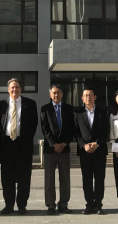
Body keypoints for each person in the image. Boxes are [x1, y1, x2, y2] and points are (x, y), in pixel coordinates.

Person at [0, 78, 38, 216]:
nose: (14, 89)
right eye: (12, 87)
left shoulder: (30, 104)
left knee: (24, 177)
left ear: (21, 88)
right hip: (6, 144)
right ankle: (8, 205)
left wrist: (26, 138)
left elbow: (34, 124)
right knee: (7, 177)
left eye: (17, 87)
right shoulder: (1, 104)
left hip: (23, 145)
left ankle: (22, 205)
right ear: (8, 89)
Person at [73, 87, 110, 216]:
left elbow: (106, 130)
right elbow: (76, 132)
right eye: (86, 95)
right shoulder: (77, 113)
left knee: (99, 179)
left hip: (99, 151)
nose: (88, 97)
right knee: (87, 179)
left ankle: (98, 205)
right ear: (82, 98)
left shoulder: (103, 112)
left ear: (95, 97)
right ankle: (89, 204)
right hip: (85, 152)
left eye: (90, 95)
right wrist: (84, 145)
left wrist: (97, 143)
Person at [40, 85, 74, 215]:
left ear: (62, 94)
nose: (56, 95)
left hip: (64, 149)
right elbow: (44, 128)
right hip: (50, 150)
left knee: (65, 178)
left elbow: (72, 127)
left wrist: (64, 143)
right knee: (49, 179)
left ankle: (63, 204)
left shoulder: (69, 109)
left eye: (58, 92)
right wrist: (54, 144)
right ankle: (50, 204)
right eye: (54, 93)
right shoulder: (45, 109)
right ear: (50, 95)